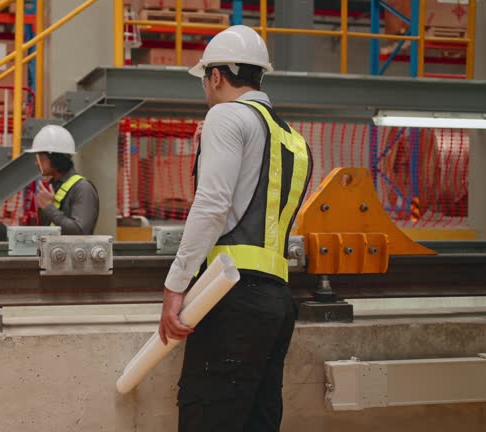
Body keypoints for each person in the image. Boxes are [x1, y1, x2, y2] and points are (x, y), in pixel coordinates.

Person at [157, 25, 313, 432]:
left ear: (216, 76)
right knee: (257, 421)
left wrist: (176, 286)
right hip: (277, 303)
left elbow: (212, 207)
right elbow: (255, 200)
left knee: (208, 415)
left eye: (206, 81)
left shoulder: (225, 115)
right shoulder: (293, 139)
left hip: (233, 300)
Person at [25, 124, 100, 235]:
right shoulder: (53, 186)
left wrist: (49, 207)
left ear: (54, 158)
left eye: (40, 157)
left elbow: (80, 230)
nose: (37, 162)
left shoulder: (82, 188)